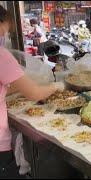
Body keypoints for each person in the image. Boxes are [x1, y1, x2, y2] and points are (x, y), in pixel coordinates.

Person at [0, 6, 64, 178]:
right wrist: (56, 87)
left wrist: (24, 84)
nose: (5, 35)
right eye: (5, 29)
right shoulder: (1, 55)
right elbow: (34, 94)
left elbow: (6, 85)